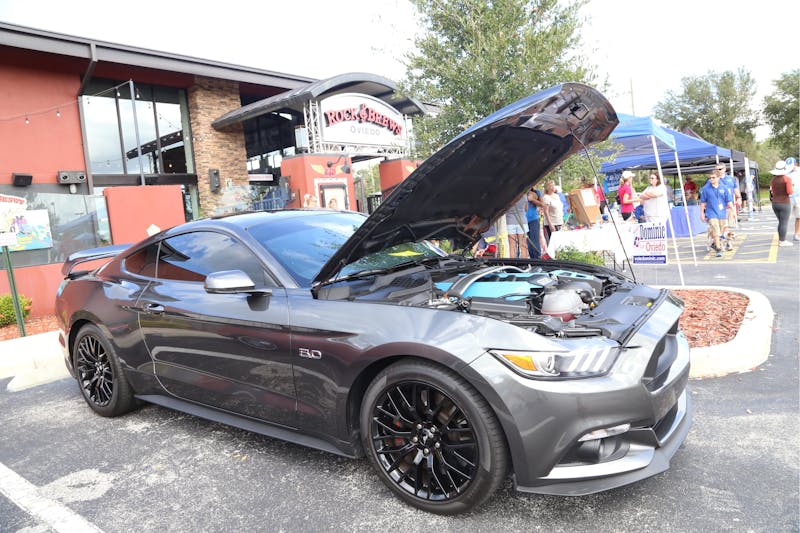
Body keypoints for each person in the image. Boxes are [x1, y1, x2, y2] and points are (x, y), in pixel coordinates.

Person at [699, 170, 734, 257]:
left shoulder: (724, 188)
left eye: (713, 177)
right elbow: (703, 202)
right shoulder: (706, 189)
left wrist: (733, 211)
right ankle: (718, 249)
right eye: (710, 178)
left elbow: (729, 200)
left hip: (721, 213)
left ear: (718, 178)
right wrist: (702, 213)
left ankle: (714, 243)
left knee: (721, 231)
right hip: (711, 213)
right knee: (715, 229)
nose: (711, 179)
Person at [769, 160, 794, 246]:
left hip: (775, 202)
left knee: (780, 222)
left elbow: (772, 191)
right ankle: (782, 241)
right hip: (784, 202)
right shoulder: (787, 179)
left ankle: (781, 239)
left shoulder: (773, 179)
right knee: (784, 222)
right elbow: (789, 191)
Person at [716, 163, 740, 243]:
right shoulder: (715, 179)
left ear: (725, 169)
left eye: (720, 169)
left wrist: (739, 198)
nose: (718, 171)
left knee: (728, 225)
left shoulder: (730, 178)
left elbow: (735, 189)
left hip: (730, 205)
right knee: (724, 226)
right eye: (717, 169)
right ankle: (725, 242)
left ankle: (725, 241)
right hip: (720, 207)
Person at [525, 187, 544, 259]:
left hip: (533, 219)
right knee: (528, 242)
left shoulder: (536, 192)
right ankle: (531, 259)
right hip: (523, 220)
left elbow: (542, 204)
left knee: (535, 241)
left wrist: (532, 200)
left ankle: (537, 259)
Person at [785, 157, 800, 241]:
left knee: (799, 216)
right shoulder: (784, 172)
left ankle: (796, 234)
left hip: (798, 197)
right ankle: (783, 235)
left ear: (795, 164)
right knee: (785, 217)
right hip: (788, 198)